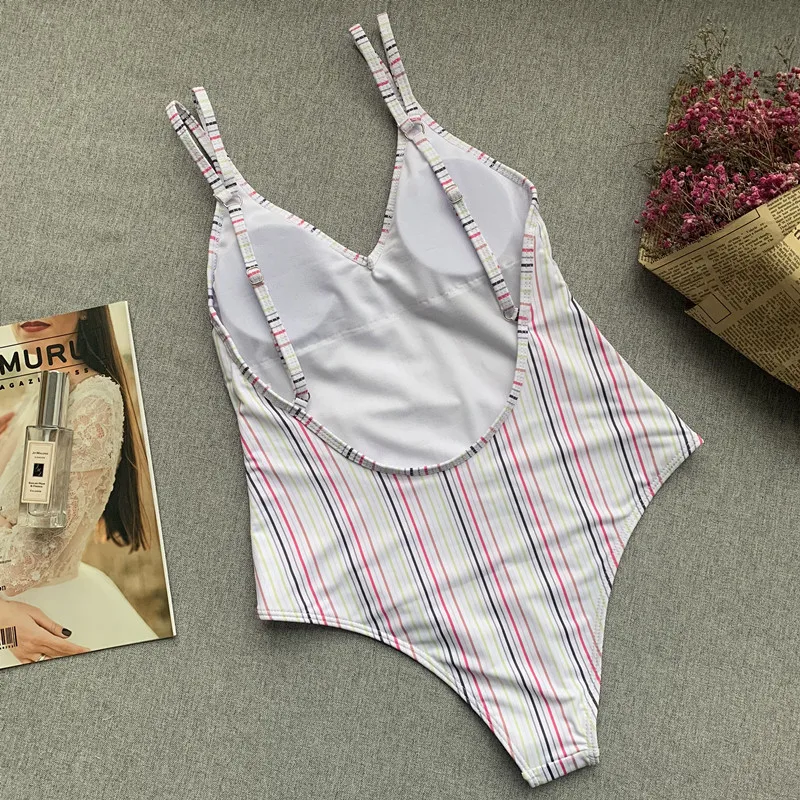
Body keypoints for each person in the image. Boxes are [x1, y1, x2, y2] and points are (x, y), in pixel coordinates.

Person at [0, 308, 158, 667]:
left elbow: (22, 564)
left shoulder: (92, 401)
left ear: (86, 310)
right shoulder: (36, 396)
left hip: (38, 618)